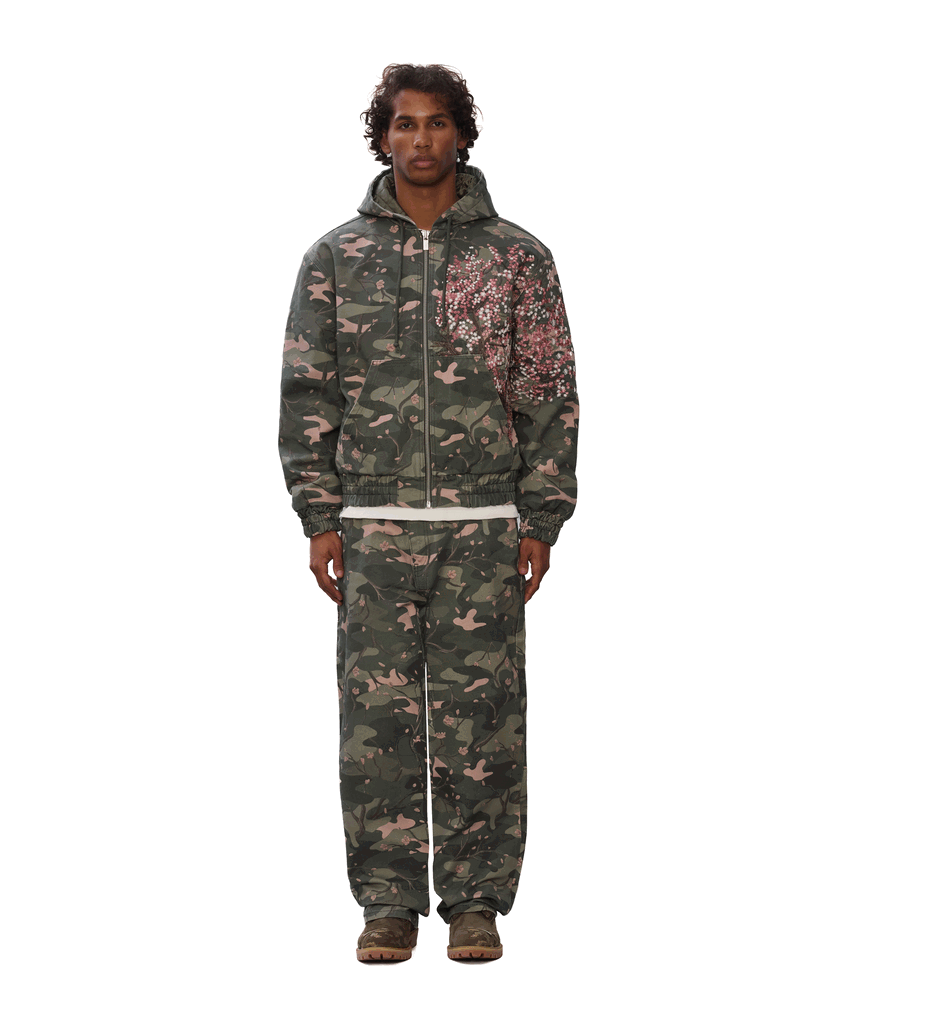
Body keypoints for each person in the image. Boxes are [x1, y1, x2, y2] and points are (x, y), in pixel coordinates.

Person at [278, 64, 578, 963]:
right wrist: (319, 516)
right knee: (376, 727)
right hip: (372, 529)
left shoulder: (516, 258)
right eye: (404, 124)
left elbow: (548, 392)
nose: (420, 139)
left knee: (483, 720)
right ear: (382, 137)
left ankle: (476, 901)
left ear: (462, 135)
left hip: (484, 528)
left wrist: (541, 518)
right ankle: (387, 902)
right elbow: (308, 391)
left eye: (437, 123)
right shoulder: (337, 257)